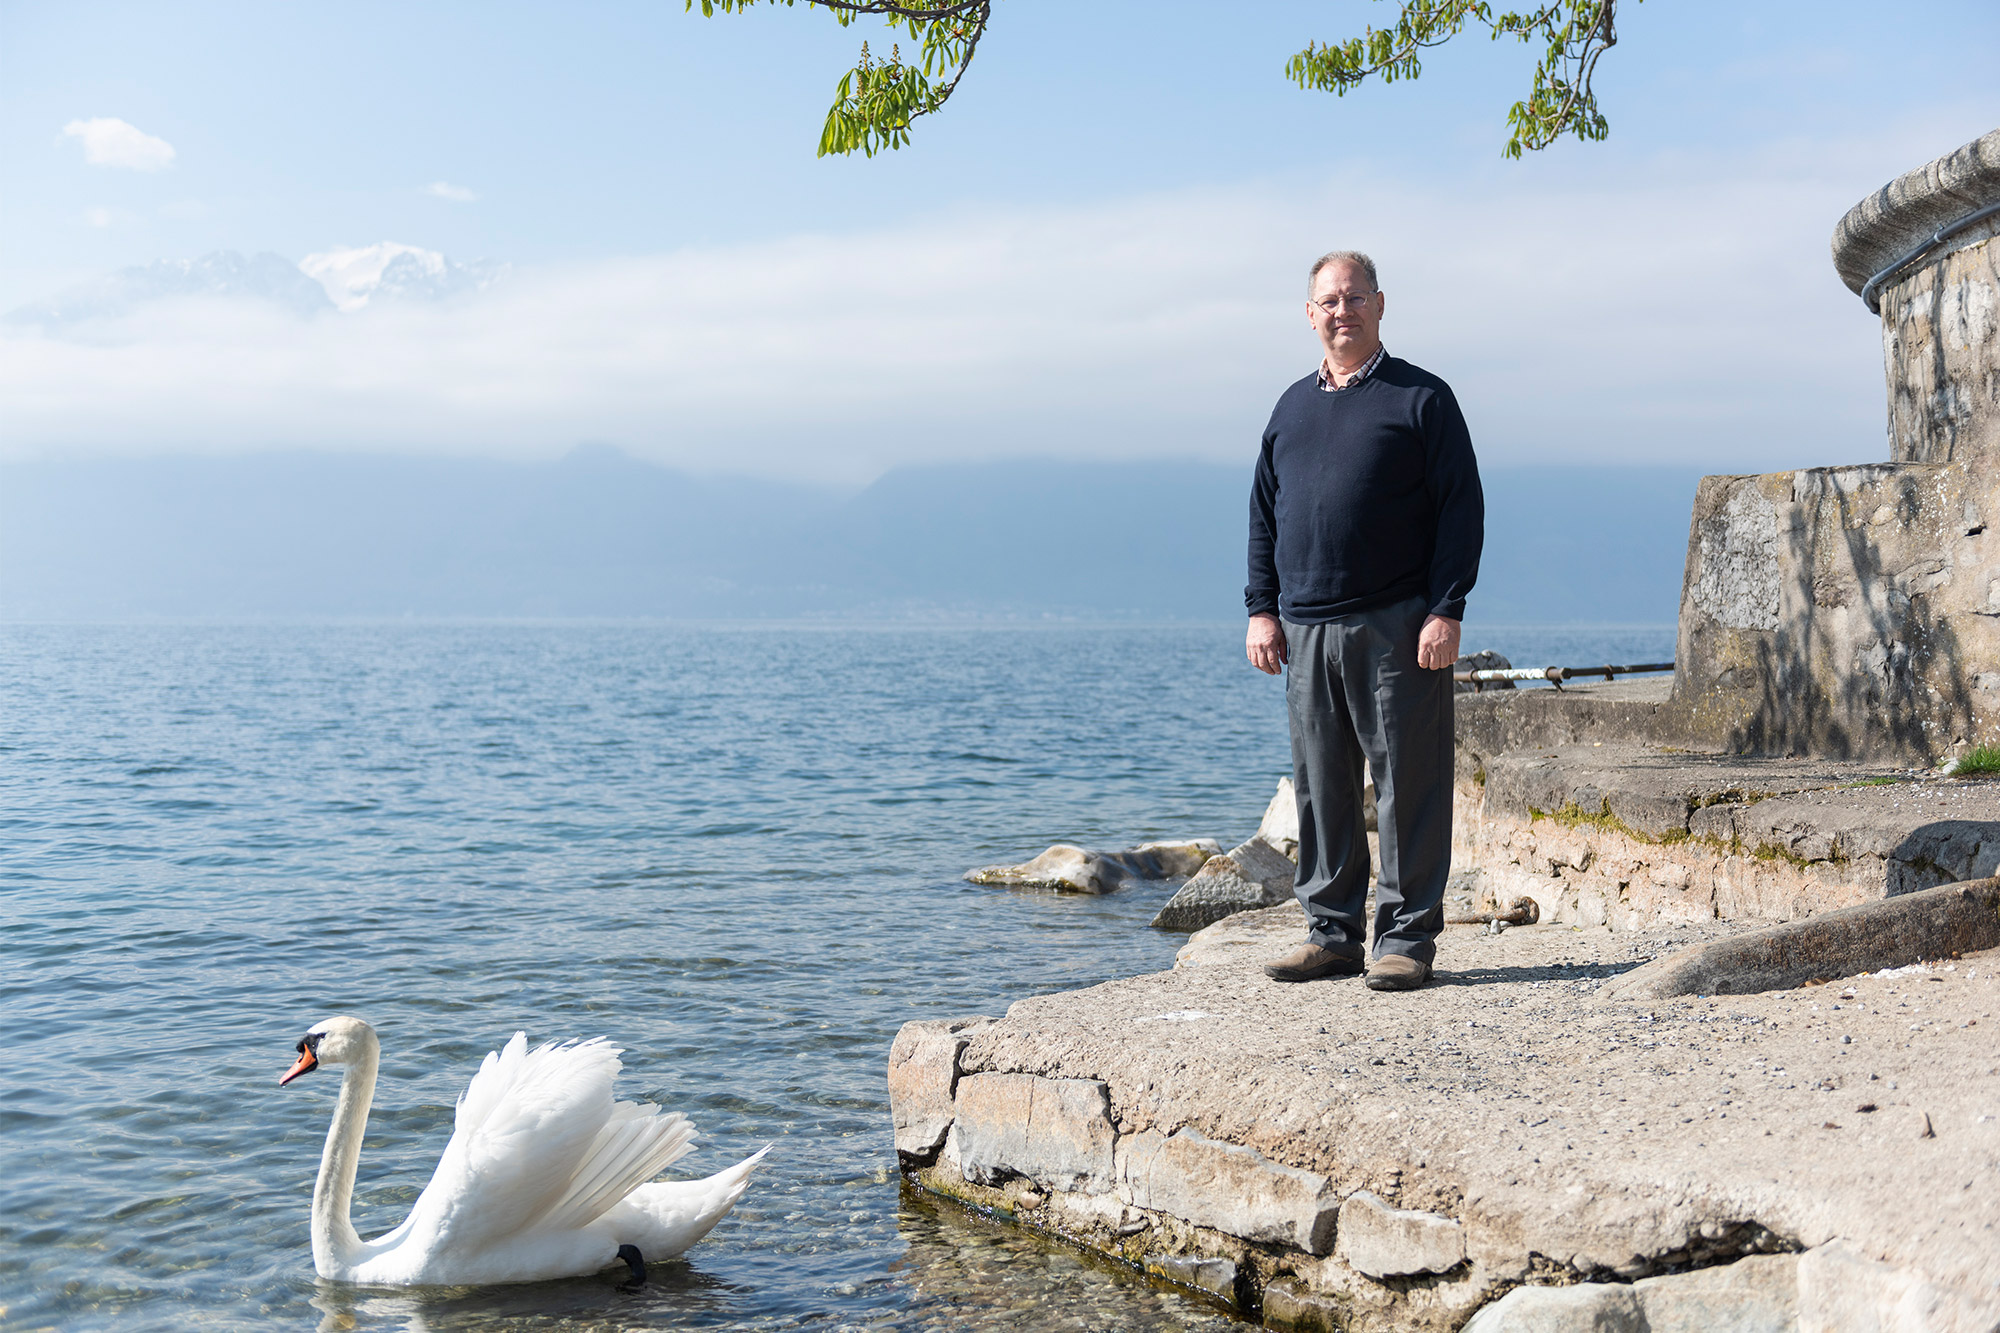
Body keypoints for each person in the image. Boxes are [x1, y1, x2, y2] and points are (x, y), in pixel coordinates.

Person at [1244, 250, 1483, 993]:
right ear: (1309, 314)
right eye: (1327, 301)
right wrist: (1261, 608)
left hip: (1398, 623)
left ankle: (1406, 938)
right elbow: (1262, 511)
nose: (1340, 311)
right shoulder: (1289, 407)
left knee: (1406, 782)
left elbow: (1461, 511)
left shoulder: (1422, 399)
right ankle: (1332, 933)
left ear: (1380, 306)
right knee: (1322, 787)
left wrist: (1446, 608)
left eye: (1353, 298)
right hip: (1307, 626)